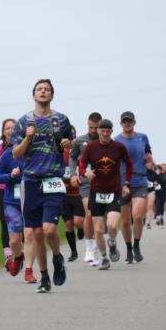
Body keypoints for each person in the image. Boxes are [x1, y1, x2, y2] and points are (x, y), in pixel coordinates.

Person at [11, 79, 72, 294]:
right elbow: (16, 154)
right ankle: (44, 277)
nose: (43, 91)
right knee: (36, 234)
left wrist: (68, 145)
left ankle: (57, 257)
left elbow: (69, 146)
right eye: (39, 89)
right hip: (31, 181)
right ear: (33, 94)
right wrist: (28, 138)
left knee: (49, 229)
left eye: (47, 89)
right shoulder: (23, 122)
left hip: (53, 180)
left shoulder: (62, 120)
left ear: (52, 95)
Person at [78, 118, 133, 270]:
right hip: (96, 192)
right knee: (98, 230)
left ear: (111, 132)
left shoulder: (119, 147)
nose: (105, 134)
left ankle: (113, 242)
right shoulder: (91, 147)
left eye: (108, 131)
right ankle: (104, 258)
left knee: (112, 225)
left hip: (114, 191)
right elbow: (82, 165)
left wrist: (126, 183)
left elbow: (129, 163)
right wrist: (85, 173)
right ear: (98, 131)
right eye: (102, 131)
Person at [114, 111, 154, 263]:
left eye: (129, 121)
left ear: (134, 123)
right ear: (121, 124)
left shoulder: (142, 137)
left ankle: (137, 245)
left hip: (140, 181)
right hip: (123, 183)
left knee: (137, 216)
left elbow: (149, 155)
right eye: (124, 121)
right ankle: (129, 249)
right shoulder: (116, 141)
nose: (127, 124)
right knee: (125, 221)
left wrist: (150, 162)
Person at [68, 112, 102, 265]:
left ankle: (97, 245)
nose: (94, 130)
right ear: (87, 124)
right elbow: (72, 157)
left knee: (100, 218)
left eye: (96, 127)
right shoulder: (80, 141)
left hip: (103, 183)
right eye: (91, 127)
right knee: (89, 212)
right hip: (86, 183)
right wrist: (73, 175)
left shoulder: (107, 141)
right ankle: (89, 247)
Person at [0, 146, 29, 277]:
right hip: (12, 201)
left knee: (30, 236)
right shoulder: (7, 154)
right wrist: (11, 175)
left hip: (31, 200)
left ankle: (29, 271)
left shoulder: (34, 152)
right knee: (14, 241)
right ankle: (19, 257)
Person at [0, 119, 16, 265]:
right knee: (4, 223)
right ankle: (8, 257)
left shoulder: (22, 146)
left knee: (20, 222)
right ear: (3, 131)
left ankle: (21, 253)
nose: (10, 130)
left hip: (18, 189)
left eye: (13, 127)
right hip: (2, 189)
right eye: (7, 128)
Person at [60, 126, 85, 262]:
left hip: (78, 192)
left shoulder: (79, 151)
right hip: (64, 194)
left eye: (71, 137)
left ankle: (81, 229)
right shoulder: (58, 153)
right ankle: (73, 252)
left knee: (78, 222)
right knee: (68, 224)